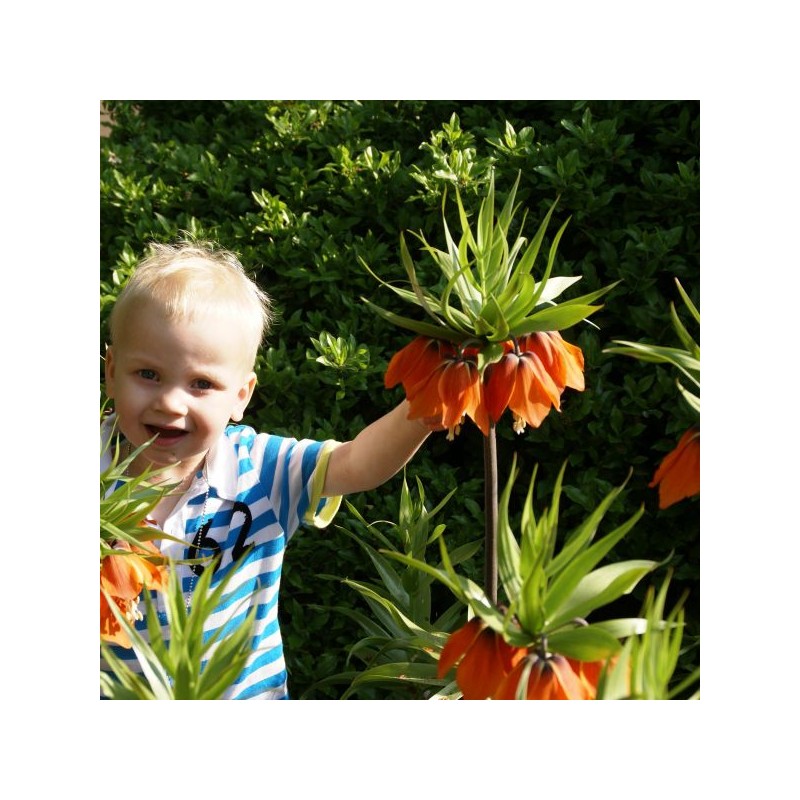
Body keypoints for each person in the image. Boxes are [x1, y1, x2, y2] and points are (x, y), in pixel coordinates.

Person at [101, 240, 435, 699]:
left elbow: (355, 463)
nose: (170, 402)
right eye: (148, 375)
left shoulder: (257, 468)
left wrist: (427, 406)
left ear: (241, 395)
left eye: (202, 383)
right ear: (111, 370)